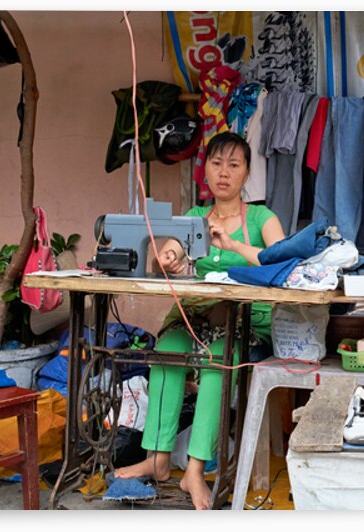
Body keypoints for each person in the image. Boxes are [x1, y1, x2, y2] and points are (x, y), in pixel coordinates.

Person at [114, 132, 285, 510]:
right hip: (193, 315)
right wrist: (168, 259)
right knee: (168, 351)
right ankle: (157, 459)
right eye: (216, 163)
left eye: (234, 165)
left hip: (242, 321)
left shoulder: (261, 217)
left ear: (247, 173)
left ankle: (195, 468)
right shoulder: (192, 218)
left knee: (216, 360)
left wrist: (234, 246)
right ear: (204, 170)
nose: (224, 173)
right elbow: (168, 252)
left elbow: (282, 261)